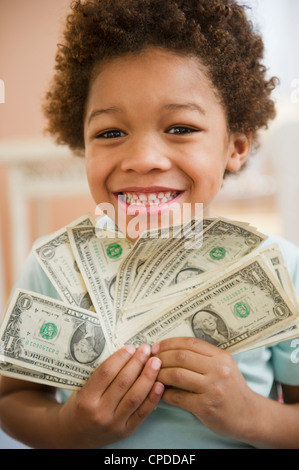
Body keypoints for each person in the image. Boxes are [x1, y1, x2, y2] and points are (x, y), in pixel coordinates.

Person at [1, 0, 299, 449]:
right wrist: (69, 428)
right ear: (82, 145)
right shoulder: (55, 266)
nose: (142, 160)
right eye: (110, 133)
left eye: (180, 128)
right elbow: (13, 398)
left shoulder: (281, 269)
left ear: (235, 146)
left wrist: (249, 415)